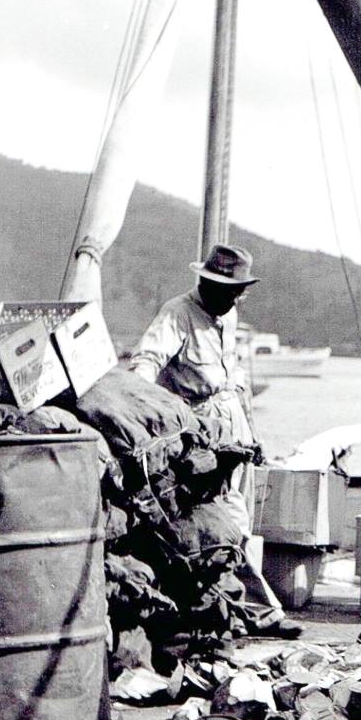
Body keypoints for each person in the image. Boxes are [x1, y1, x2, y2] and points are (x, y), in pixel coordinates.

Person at [129, 243, 296, 636]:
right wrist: (141, 412)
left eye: (239, 292)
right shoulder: (177, 314)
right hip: (198, 432)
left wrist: (251, 433)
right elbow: (146, 363)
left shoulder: (229, 315)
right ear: (207, 283)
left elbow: (235, 378)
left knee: (241, 519)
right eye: (228, 291)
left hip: (233, 429)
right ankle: (262, 611)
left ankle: (233, 608)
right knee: (227, 523)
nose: (234, 299)